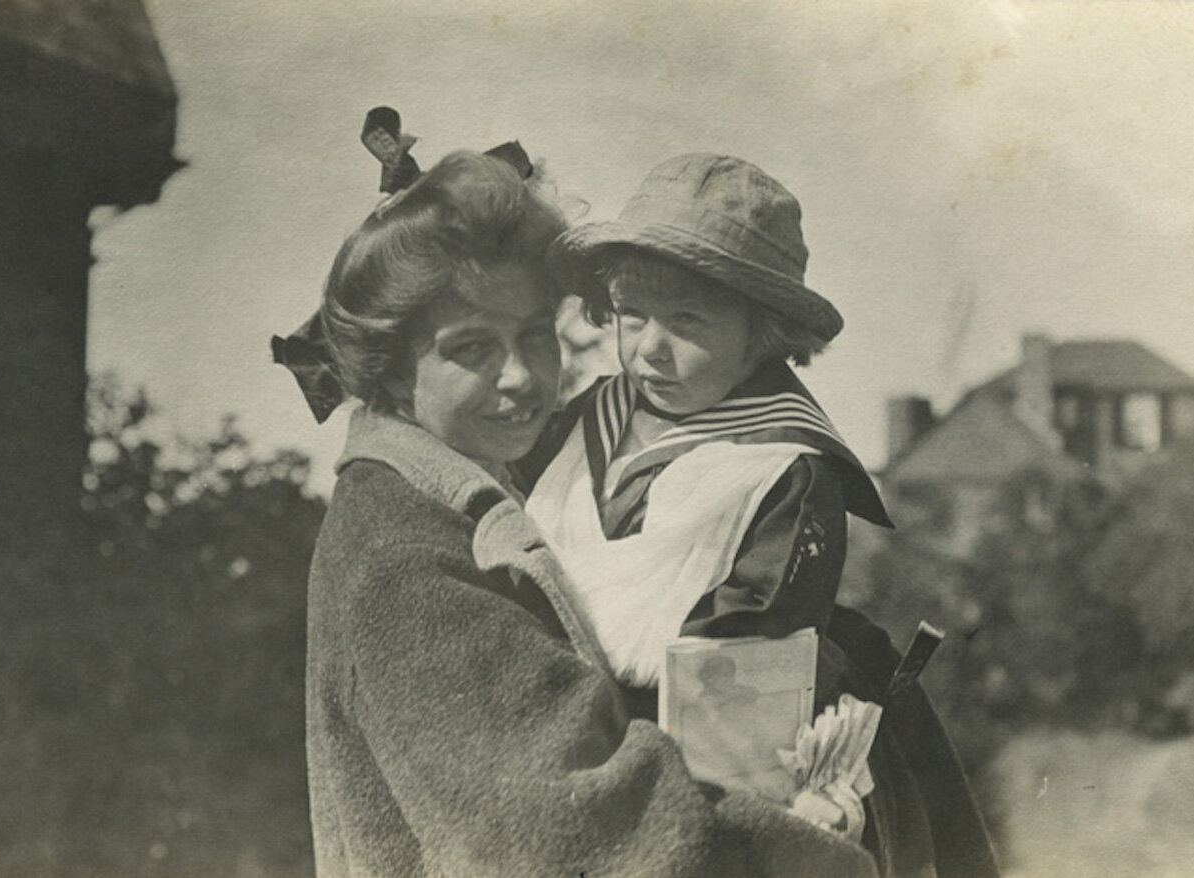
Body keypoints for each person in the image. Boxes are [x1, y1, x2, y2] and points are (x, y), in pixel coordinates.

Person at [275, 148, 880, 878]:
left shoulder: (469, 492)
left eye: (536, 334)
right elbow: (566, 832)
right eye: (471, 348)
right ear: (392, 368)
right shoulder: (402, 553)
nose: (524, 378)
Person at [520, 153, 1000, 878]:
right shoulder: (584, 422)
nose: (650, 347)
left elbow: (741, 659)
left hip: (712, 753)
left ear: (761, 334)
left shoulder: (786, 468)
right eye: (633, 315)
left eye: (687, 320)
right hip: (555, 730)